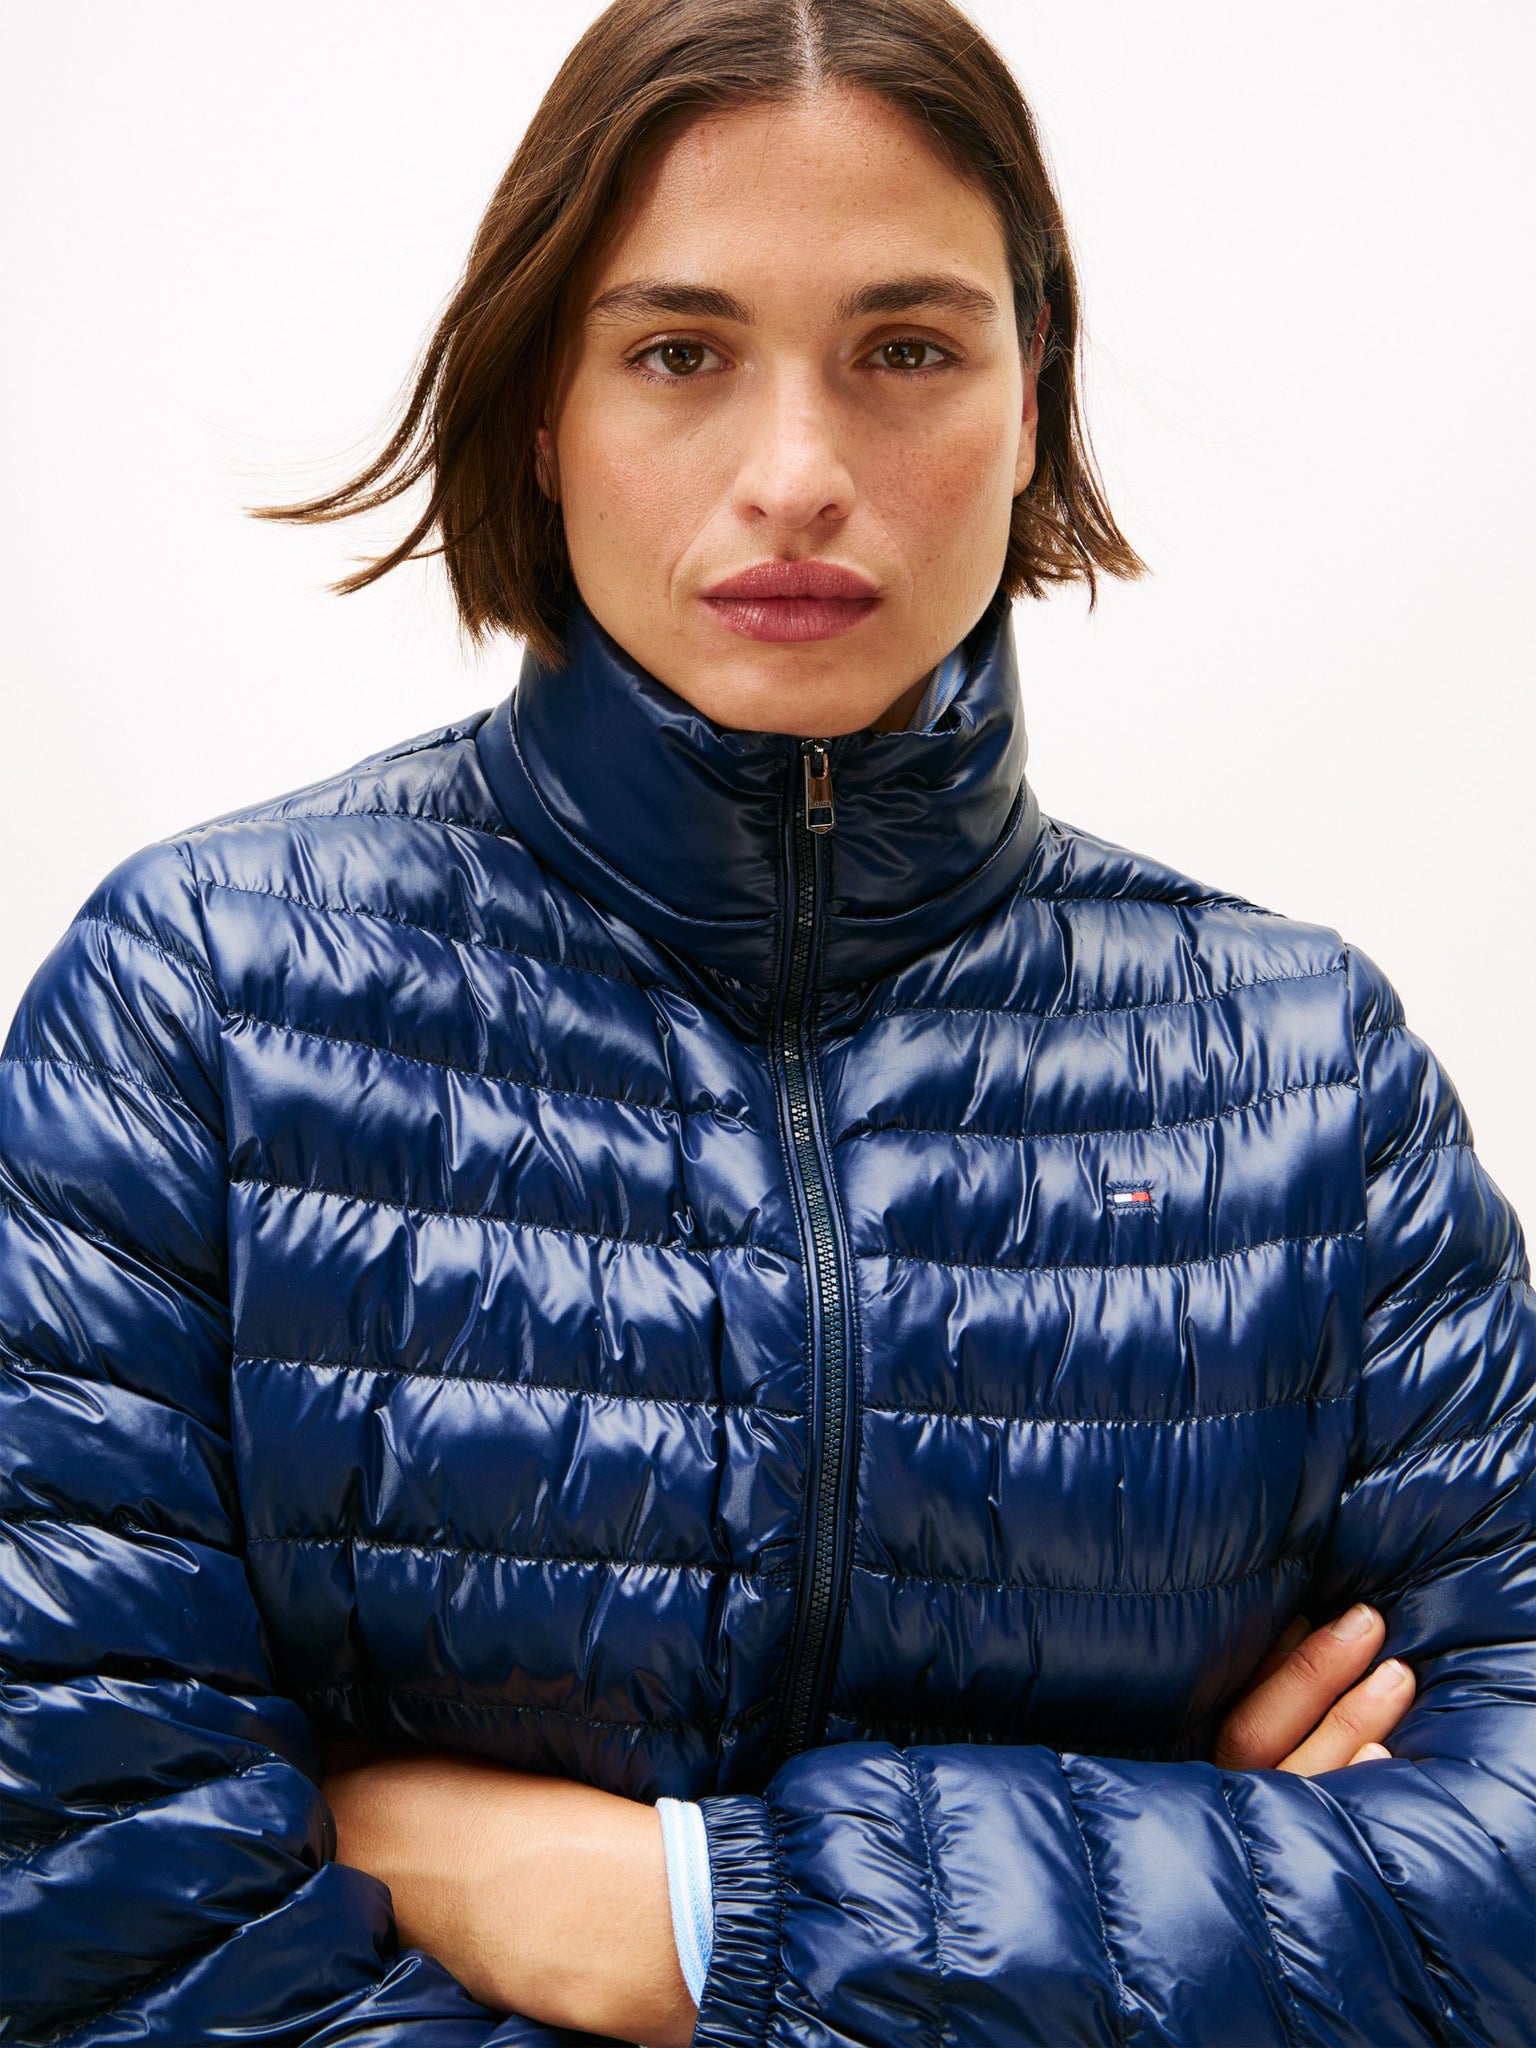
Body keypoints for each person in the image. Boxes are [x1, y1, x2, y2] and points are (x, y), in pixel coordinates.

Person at [2, 0, 1531, 2041]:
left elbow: (1512, 1887)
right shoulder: (193, 1006)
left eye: (906, 351)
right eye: (678, 353)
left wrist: (700, 1915)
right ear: (541, 410)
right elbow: (91, 1911)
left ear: (1029, 396)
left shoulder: (1307, 1077)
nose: (798, 477)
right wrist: (1192, 1885)